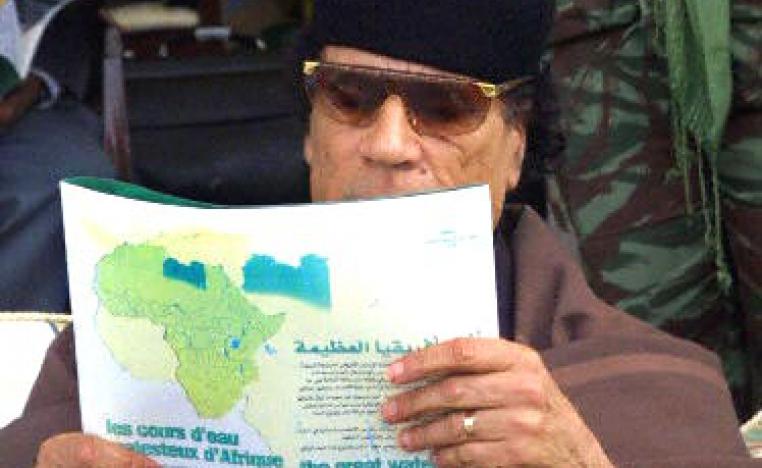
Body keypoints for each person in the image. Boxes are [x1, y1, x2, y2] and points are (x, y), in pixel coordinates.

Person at [1, 0, 758, 466]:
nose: (390, 144)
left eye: (447, 108)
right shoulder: (125, 357)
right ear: (309, 133)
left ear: (516, 147)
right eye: (351, 97)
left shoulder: (644, 385)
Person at [1, 0, 115, 312]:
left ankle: (18, 335)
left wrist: (34, 82)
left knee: (66, 175)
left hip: (30, 99)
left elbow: (74, 12)